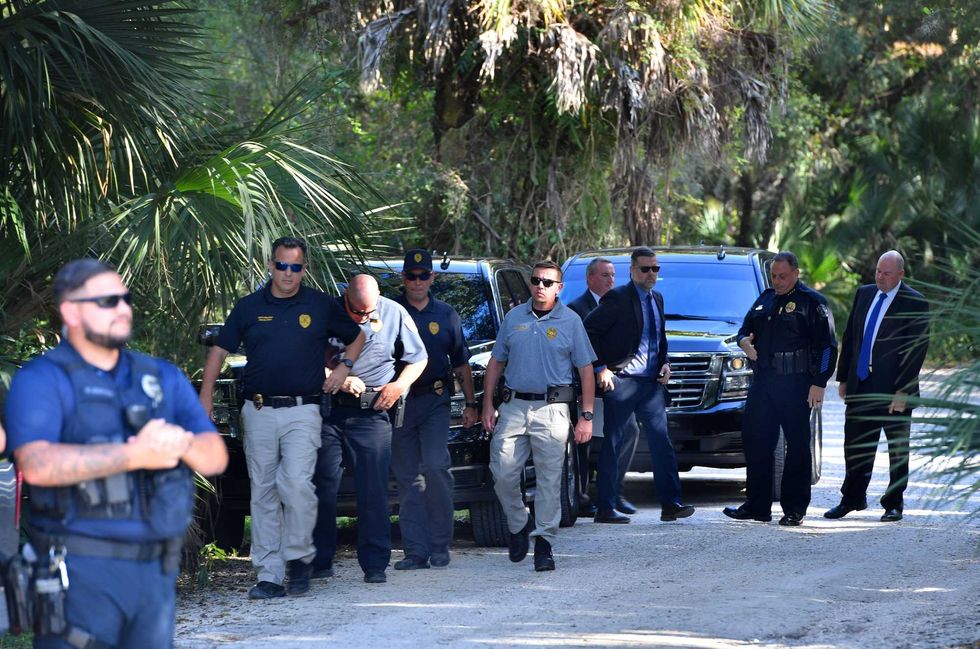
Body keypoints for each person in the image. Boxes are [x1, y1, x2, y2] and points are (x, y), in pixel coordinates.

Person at [4, 259, 228, 648]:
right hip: (77, 574)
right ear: (71, 310)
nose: (123, 308)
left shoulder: (161, 377)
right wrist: (133, 454)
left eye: (125, 298)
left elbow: (215, 456)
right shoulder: (41, 379)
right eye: (108, 300)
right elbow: (37, 465)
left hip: (152, 575)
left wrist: (180, 443)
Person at [199, 236, 365, 600]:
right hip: (258, 410)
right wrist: (206, 395)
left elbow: (357, 337)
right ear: (271, 266)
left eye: (296, 267)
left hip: (304, 410)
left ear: (304, 269)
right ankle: (270, 575)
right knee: (264, 491)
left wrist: (343, 369)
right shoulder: (248, 307)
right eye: (282, 265)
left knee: (297, 484)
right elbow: (219, 351)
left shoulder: (320, 305)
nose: (288, 273)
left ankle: (300, 558)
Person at [481, 261, 595, 572]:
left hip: (553, 409)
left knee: (549, 480)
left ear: (559, 288)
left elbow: (586, 371)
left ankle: (544, 543)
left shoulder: (571, 321)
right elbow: (495, 363)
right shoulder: (514, 317)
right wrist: (487, 405)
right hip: (514, 406)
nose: (540, 286)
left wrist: (586, 416)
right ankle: (519, 523)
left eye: (547, 282)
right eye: (536, 280)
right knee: (502, 471)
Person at [313, 274, 427, 584]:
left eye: (369, 312)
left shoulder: (394, 312)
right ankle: (319, 560)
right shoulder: (326, 311)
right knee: (322, 486)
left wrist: (399, 386)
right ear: (346, 296)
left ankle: (375, 564)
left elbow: (418, 358)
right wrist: (338, 375)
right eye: (357, 312)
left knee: (373, 489)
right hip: (331, 410)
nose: (363, 318)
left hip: (372, 410)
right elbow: (304, 357)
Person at [723, 251, 837, 526]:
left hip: (796, 383)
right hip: (764, 381)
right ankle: (758, 505)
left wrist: (819, 383)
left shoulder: (812, 303)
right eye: (774, 276)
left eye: (783, 276)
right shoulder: (765, 298)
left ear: (796, 273)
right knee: (756, 440)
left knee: (797, 447)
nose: (777, 281)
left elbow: (828, 347)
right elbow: (743, 330)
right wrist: (743, 344)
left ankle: (794, 508)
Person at [584, 248, 694, 524]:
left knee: (661, 443)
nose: (651, 274)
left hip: (651, 384)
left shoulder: (657, 298)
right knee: (614, 442)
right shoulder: (618, 298)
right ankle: (606, 508)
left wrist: (666, 363)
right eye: (645, 269)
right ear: (632, 271)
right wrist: (601, 368)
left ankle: (671, 504)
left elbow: (659, 338)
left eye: (655, 269)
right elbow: (587, 331)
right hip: (622, 382)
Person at [825, 250, 929, 523]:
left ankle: (894, 503)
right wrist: (844, 377)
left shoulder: (914, 302)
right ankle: (852, 498)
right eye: (878, 272)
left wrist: (903, 390)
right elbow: (851, 336)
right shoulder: (865, 293)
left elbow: (915, 351)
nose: (881, 278)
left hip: (894, 390)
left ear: (900, 274)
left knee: (896, 451)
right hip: (861, 384)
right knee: (855, 445)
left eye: (887, 273)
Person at [390, 250, 477, 570]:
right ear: (404, 278)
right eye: (411, 276)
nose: (417, 281)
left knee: (436, 468)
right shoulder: (390, 312)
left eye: (422, 275)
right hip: (400, 405)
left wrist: (470, 404)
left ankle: (441, 543)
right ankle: (415, 550)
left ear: (432, 278)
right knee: (408, 477)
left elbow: (461, 363)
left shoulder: (446, 313)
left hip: (435, 402)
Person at [566, 258, 641, 517]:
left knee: (630, 431)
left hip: (614, 386)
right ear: (589, 279)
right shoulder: (576, 309)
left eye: (613, 275)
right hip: (586, 389)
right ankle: (582, 497)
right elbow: (578, 347)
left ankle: (614, 493)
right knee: (584, 443)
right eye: (604, 275)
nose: (611, 280)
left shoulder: (620, 304)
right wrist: (598, 369)